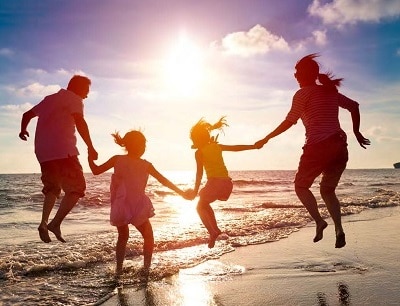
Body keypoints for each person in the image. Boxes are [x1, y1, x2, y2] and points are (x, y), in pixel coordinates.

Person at [255, 54, 370, 248]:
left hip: (318, 146)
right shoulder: (329, 92)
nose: (295, 75)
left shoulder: (303, 94)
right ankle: (339, 229)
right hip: (340, 146)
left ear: (307, 74)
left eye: (298, 72)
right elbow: (354, 106)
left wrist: (266, 138)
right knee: (327, 190)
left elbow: (289, 121)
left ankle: (319, 221)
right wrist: (357, 132)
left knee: (301, 186)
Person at [88, 130, 190, 277]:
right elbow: (164, 181)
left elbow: (96, 170)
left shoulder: (118, 159)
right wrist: (181, 193)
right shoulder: (145, 165)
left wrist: (90, 158)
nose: (143, 148)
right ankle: (146, 269)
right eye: (142, 144)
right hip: (137, 206)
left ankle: (119, 270)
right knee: (148, 236)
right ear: (132, 145)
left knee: (123, 237)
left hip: (121, 205)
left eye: (144, 145)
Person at [19, 75, 98, 243]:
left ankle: (43, 223)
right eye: (86, 90)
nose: (87, 95)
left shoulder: (49, 99)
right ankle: (55, 224)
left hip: (44, 153)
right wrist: (90, 146)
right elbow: (80, 122)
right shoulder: (75, 99)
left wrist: (23, 130)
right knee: (77, 188)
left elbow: (27, 115)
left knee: (52, 188)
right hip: (64, 151)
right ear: (78, 88)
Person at [188, 116, 258, 248]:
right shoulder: (216, 146)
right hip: (226, 184)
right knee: (204, 204)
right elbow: (236, 148)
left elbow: (199, 174)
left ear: (197, 139)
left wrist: (195, 191)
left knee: (199, 206)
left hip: (214, 183)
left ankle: (213, 231)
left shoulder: (199, 153)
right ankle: (214, 230)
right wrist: (253, 146)